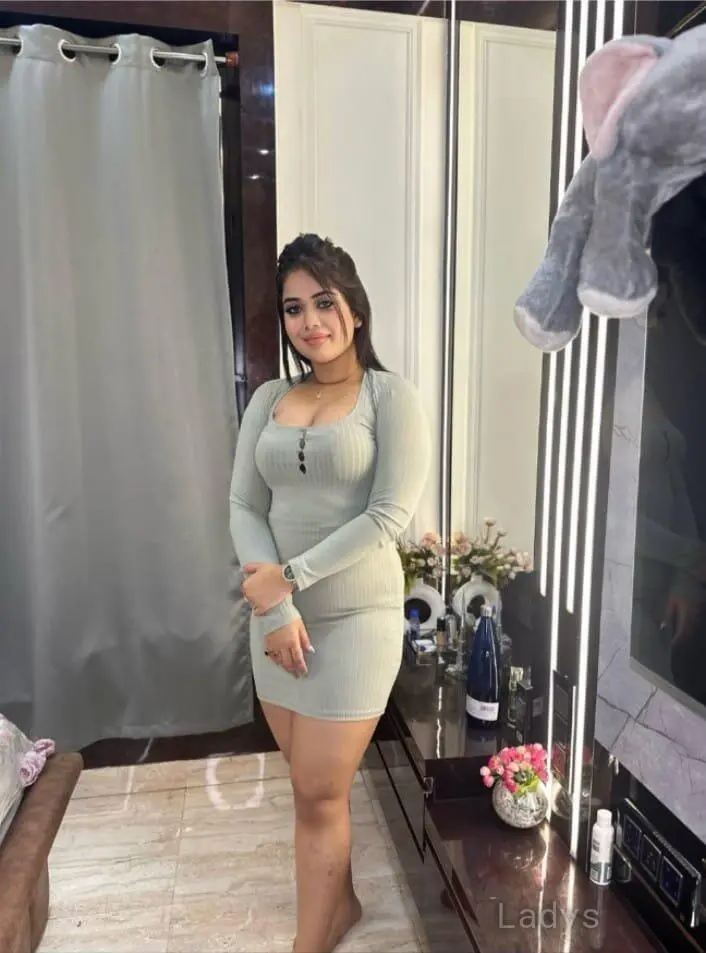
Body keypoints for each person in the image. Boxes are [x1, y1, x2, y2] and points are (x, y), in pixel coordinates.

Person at [229, 233, 431, 953]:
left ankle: (308, 942)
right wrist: (276, 606)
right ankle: (339, 904)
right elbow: (244, 506)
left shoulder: (389, 396)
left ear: (355, 308)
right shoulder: (269, 398)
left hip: (354, 620)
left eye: (324, 301)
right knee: (311, 786)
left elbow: (388, 515)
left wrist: (289, 579)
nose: (310, 321)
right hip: (276, 622)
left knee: (318, 792)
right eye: (294, 308)